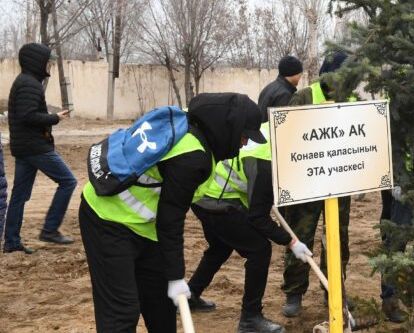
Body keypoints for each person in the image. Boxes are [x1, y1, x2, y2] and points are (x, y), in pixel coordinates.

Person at [79, 93, 263, 333]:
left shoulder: (194, 124)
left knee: (161, 306)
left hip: (146, 228)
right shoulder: (192, 156)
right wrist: (176, 276)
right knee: (121, 311)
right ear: (229, 127)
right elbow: (171, 220)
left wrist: (172, 277)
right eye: (244, 136)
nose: (245, 144)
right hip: (107, 219)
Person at [186, 120, 312, 333]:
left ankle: (190, 296)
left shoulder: (270, 130)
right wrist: (291, 241)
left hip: (204, 194)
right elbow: (258, 218)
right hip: (215, 200)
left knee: (220, 247)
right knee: (259, 249)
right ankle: (250, 318)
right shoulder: (265, 164)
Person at [281, 54, 354, 317]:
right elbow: (287, 136)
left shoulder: (350, 100)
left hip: (339, 182)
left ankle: (334, 290)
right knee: (301, 235)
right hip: (306, 183)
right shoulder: (304, 97)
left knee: (338, 239)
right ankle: (294, 292)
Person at [3, 43, 77, 254]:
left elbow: (26, 113)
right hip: (34, 146)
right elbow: (28, 116)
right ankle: (50, 230)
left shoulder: (26, 81)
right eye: (48, 61)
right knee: (68, 181)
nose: (50, 65)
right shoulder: (29, 84)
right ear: (37, 62)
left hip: (25, 146)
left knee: (19, 196)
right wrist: (55, 117)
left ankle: (11, 242)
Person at [257, 55, 303, 122]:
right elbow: (282, 125)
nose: (301, 75)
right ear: (292, 73)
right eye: (300, 73)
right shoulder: (284, 95)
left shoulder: (268, 88)